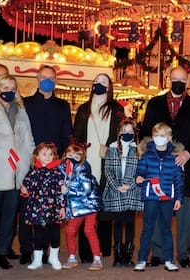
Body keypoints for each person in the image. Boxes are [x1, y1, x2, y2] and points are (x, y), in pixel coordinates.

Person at [139, 66, 190, 268]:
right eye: (175, 79)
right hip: (158, 168)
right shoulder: (155, 103)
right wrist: (152, 153)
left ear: (187, 82)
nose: (178, 82)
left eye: (182, 80)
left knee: (185, 211)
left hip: (184, 166)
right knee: (159, 208)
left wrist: (189, 152)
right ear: (168, 79)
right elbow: (145, 131)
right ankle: (158, 252)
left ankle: (184, 253)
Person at [0, 74, 35, 270]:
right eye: (5, 87)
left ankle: (1, 252)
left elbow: (29, 142)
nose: (9, 91)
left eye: (12, 87)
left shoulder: (21, 112)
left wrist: (28, 164)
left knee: (10, 218)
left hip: (16, 174)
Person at [20, 64, 73, 265]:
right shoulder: (26, 103)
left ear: (56, 80)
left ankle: (51, 251)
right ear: (37, 79)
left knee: (52, 206)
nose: (47, 80)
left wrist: (62, 160)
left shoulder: (63, 105)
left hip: (54, 163)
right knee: (28, 205)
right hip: (31, 161)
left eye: (51, 77)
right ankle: (27, 248)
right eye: (44, 77)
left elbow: (67, 133)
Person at [73, 73, 124, 262]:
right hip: (86, 164)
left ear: (110, 87)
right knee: (85, 209)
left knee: (104, 208)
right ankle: (85, 252)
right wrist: (78, 153)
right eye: (96, 82)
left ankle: (103, 248)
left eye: (103, 82)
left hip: (106, 163)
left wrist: (110, 148)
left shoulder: (117, 109)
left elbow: (121, 135)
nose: (99, 85)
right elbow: (76, 135)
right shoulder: (84, 109)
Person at [133, 122, 184, 272]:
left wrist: (179, 198)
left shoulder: (175, 156)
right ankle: (142, 259)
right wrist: (139, 178)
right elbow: (140, 171)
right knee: (147, 228)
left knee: (166, 229)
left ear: (169, 138)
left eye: (162, 136)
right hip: (151, 197)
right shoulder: (146, 155)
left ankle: (169, 259)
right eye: (156, 135)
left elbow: (179, 179)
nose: (158, 138)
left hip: (167, 198)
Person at [103, 118, 143, 267]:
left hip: (133, 190)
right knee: (118, 222)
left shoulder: (138, 149)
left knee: (130, 223)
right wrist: (117, 186)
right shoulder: (112, 148)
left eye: (130, 131)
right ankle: (118, 254)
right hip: (116, 190)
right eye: (124, 131)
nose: (127, 134)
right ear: (119, 132)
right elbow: (108, 170)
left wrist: (130, 185)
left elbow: (141, 170)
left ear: (135, 133)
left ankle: (128, 254)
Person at [20, 142, 65, 270]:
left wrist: (62, 207)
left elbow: (61, 192)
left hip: (53, 209)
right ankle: (38, 259)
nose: (47, 157)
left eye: (50, 154)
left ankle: (54, 256)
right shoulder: (33, 173)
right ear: (37, 156)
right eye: (44, 154)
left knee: (55, 233)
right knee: (39, 235)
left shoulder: (57, 173)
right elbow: (26, 187)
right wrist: (24, 189)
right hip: (37, 209)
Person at [59, 140, 103, 271]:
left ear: (82, 158)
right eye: (70, 155)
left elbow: (86, 189)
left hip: (89, 204)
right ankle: (72, 256)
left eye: (76, 157)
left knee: (89, 230)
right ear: (65, 154)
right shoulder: (62, 169)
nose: (72, 159)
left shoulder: (83, 169)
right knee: (70, 230)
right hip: (76, 206)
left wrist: (68, 188)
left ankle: (96, 257)